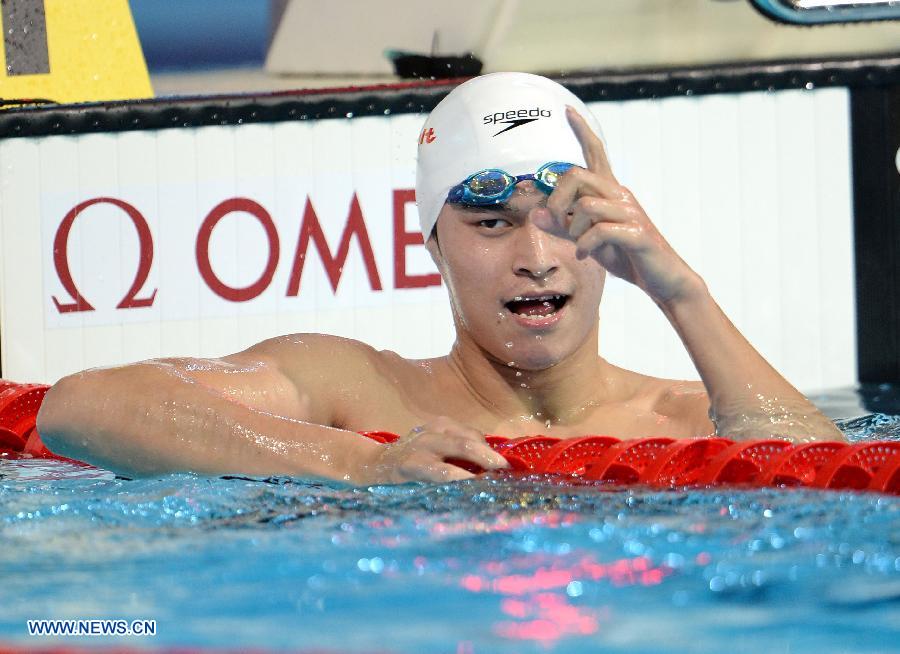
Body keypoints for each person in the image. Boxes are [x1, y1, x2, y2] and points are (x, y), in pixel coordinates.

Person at [36, 72, 844, 484]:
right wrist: (357, 465)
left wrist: (682, 292)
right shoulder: (358, 390)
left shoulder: (689, 414)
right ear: (429, 241)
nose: (536, 254)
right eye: (490, 222)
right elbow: (84, 406)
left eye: (566, 217)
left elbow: (829, 483)